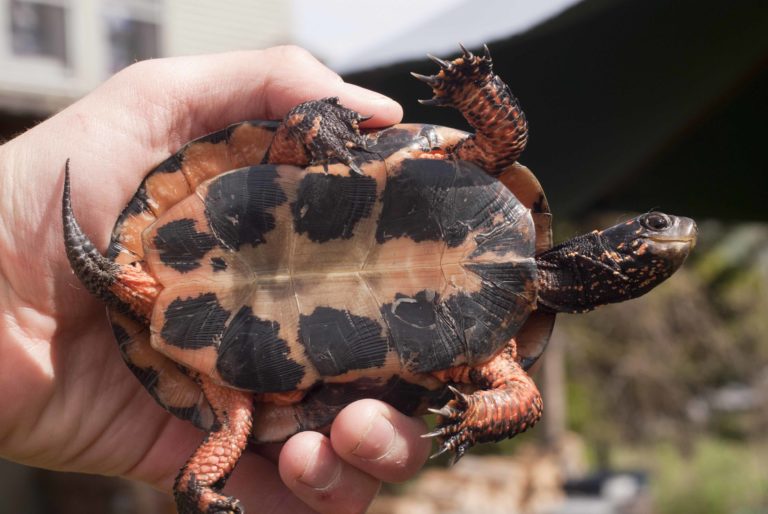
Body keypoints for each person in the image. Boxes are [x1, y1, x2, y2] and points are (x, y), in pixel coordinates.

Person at [0, 46, 431, 514]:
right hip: (223, 353)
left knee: (235, 424)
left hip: (216, 345)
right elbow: (291, 148)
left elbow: (291, 146)